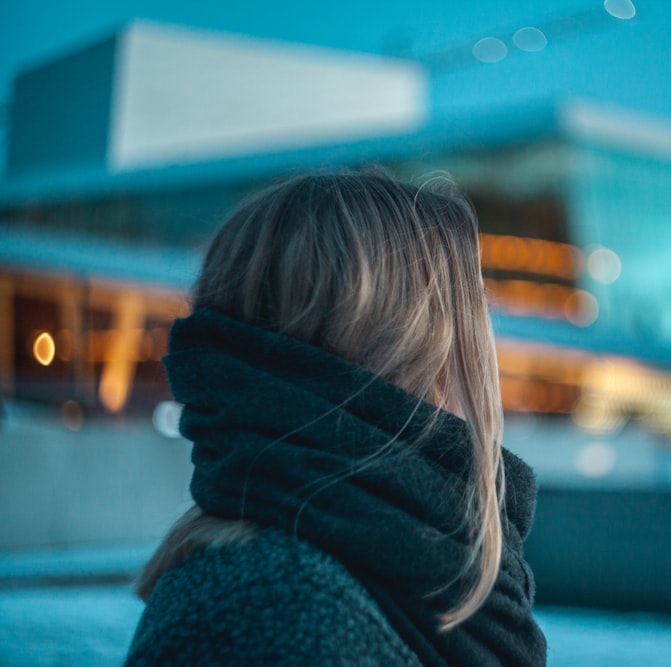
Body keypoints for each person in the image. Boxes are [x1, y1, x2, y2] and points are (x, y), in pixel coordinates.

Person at [124, 170, 547, 666]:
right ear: (413, 352)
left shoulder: (299, 586)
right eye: (477, 312)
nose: (488, 350)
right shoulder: (280, 611)